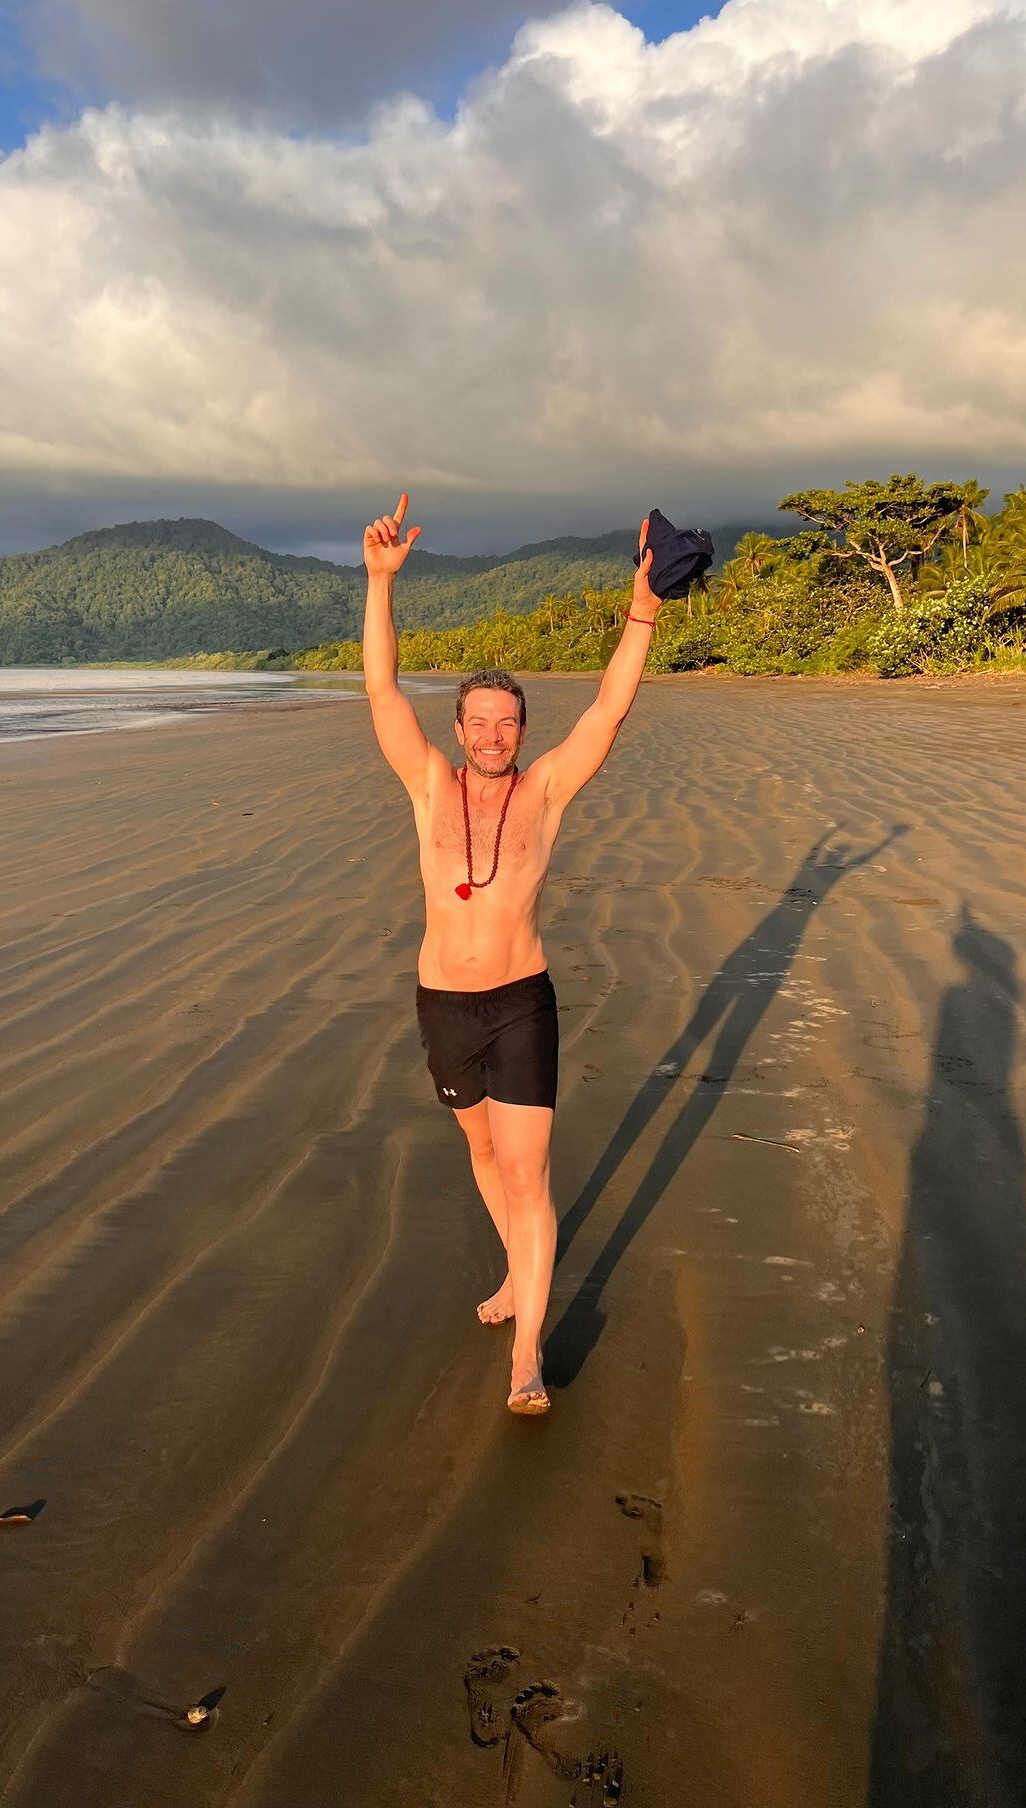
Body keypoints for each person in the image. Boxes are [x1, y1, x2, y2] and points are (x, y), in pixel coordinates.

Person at [362, 493, 662, 1414]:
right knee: (483, 1151)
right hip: (443, 1008)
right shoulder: (426, 783)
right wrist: (380, 584)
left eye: (507, 723)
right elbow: (381, 691)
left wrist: (643, 607)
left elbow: (609, 710)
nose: (493, 736)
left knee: (527, 1170)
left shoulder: (546, 791)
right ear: (458, 730)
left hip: (520, 1002)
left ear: (523, 731)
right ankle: (513, 1273)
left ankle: (527, 1353)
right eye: (479, 723)